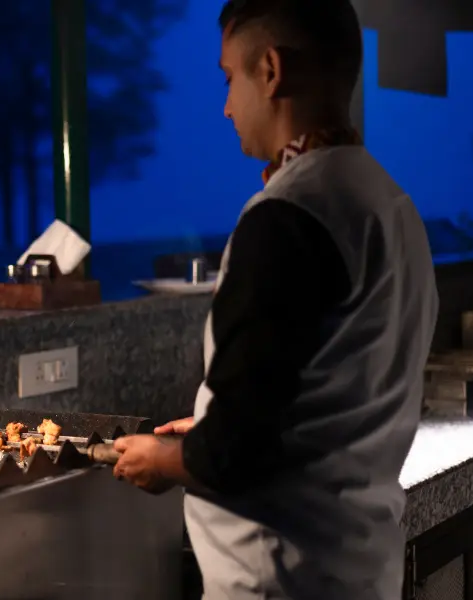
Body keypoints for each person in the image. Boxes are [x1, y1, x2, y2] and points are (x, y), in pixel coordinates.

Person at [111, 0, 438, 598]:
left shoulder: (289, 215)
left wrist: (163, 460)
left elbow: (237, 451)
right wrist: (216, 421)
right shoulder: (388, 203)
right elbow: (329, 388)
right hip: (356, 567)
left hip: (278, 576)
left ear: (271, 70)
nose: (227, 106)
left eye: (229, 78)